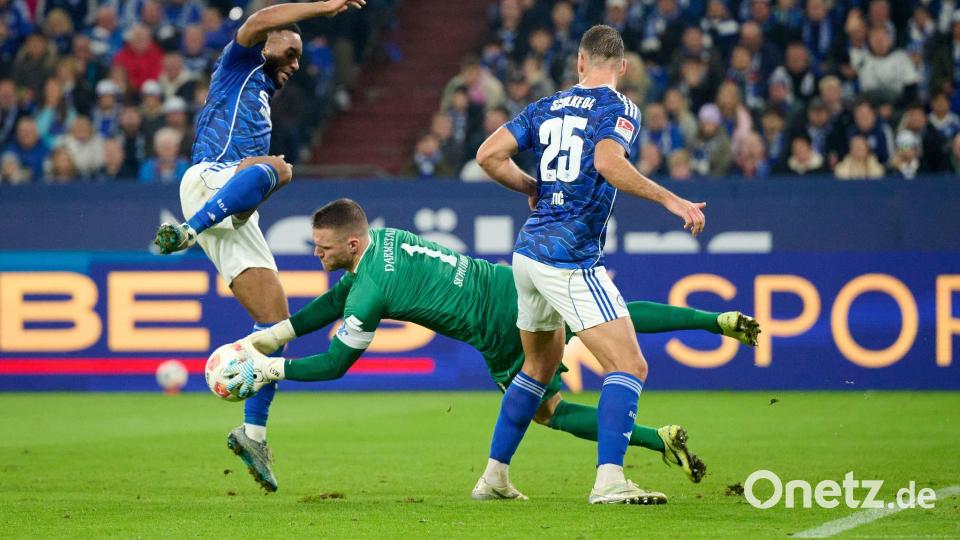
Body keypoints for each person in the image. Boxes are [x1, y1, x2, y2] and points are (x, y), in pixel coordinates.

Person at [226, 199, 759, 492]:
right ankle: (711, 321)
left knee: (549, 410)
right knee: (604, 317)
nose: (316, 255)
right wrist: (274, 335)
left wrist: (273, 370)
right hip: (507, 285)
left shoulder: (371, 289)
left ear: (351, 243)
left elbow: (338, 363)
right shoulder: (383, 245)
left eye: (322, 248)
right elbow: (329, 303)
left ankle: (640, 444)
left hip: (498, 329)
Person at [472, 24, 705, 505]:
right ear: (621, 66)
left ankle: (493, 477)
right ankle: (609, 480)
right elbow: (607, 162)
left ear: (580, 63)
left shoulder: (546, 106)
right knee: (629, 364)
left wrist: (530, 188)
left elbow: (488, 155)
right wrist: (670, 199)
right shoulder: (618, 107)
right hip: (569, 259)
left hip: (528, 254)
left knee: (537, 368)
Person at [151, 0, 365, 492]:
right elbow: (255, 21)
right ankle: (187, 230)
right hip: (208, 181)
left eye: (297, 59)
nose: (293, 65)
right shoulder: (237, 67)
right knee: (282, 168)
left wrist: (249, 200)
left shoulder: (263, 102)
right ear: (267, 43)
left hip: (232, 202)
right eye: (288, 52)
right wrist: (322, 8)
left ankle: (252, 434)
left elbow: (251, 187)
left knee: (275, 325)